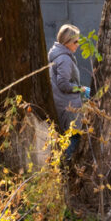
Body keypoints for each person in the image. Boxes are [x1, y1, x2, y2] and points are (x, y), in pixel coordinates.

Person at [48, 24, 89, 165]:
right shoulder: (64, 59)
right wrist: (81, 89)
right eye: (75, 42)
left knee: (66, 139)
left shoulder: (59, 55)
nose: (78, 45)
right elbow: (63, 84)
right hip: (68, 105)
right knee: (73, 138)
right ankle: (63, 171)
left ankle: (61, 171)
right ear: (67, 42)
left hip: (63, 103)